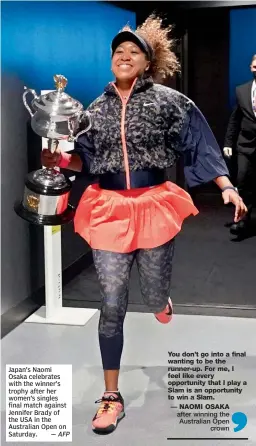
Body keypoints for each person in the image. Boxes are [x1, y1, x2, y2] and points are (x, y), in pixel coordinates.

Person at [42, 15, 247, 434]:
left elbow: (199, 144)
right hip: (109, 208)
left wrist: (226, 186)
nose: (124, 56)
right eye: (118, 51)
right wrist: (61, 161)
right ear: (111, 61)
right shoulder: (91, 110)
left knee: (152, 294)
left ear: (147, 61)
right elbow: (86, 161)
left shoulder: (170, 102)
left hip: (154, 205)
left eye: (133, 51)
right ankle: (111, 396)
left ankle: (159, 302)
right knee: (113, 300)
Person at [223, 54, 256, 236]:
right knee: (242, 182)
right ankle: (242, 220)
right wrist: (228, 142)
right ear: (251, 68)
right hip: (246, 146)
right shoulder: (242, 90)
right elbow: (235, 119)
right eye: (255, 66)